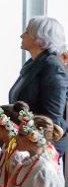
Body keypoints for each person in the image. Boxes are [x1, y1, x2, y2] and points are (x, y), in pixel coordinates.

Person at [10, 16, 68, 157]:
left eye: (27, 32)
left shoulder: (52, 67)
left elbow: (52, 117)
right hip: (29, 141)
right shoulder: (33, 64)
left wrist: (41, 149)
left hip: (42, 147)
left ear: (40, 38)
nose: (21, 35)